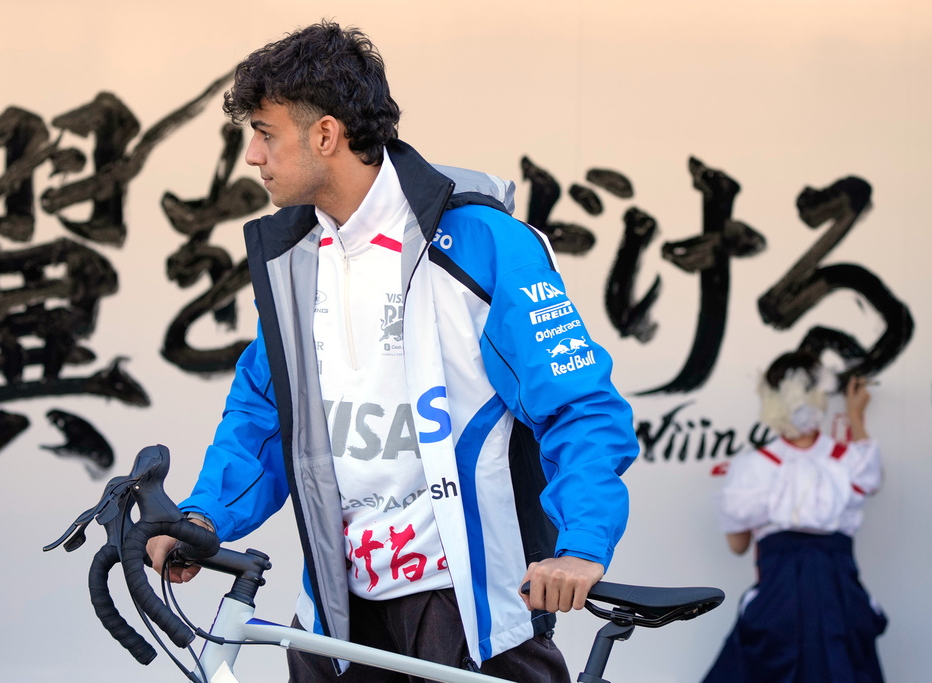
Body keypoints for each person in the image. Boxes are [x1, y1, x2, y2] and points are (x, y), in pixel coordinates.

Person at [147, 21, 638, 682]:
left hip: (466, 606)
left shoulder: (482, 241)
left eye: (265, 133)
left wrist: (582, 543)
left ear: (325, 134)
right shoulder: (293, 259)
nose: (253, 157)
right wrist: (203, 516)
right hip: (339, 604)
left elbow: (580, 405)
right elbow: (262, 416)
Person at [703, 351, 887, 683]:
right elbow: (872, 478)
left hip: (779, 600)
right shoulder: (846, 459)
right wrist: (856, 415)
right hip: (838, 597)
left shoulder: (751, 467)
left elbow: (738, 546)